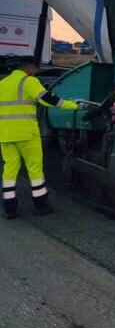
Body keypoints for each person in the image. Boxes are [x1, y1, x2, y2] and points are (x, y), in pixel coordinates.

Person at [0, 61, 81, 218]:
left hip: (5, 135)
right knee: (34, 168)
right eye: (36, 70)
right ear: (29, 68)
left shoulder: (2, 83)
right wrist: (73, 105)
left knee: (9, 169)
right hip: (26, 134)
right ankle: (40, 205)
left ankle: (9, 208)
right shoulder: (29, 81)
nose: (36, 73)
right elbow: (47, 99)